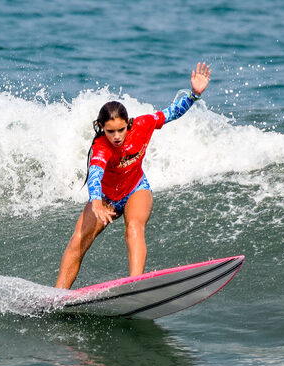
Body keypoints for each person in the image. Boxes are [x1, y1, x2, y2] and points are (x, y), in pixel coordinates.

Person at [55, 61, 211, 289]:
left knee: (134, 227)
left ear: (128, 124)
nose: (117, 136)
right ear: (101, 127)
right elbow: (96, 174)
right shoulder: (101, 147)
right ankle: (58, 295)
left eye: (121, 130)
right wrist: (96, 202)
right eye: (110, 131)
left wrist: (194, 94)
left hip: (136, 188)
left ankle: (134, 286)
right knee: (78, 240)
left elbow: (171, 113)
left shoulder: (143, 124)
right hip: (106, 198)